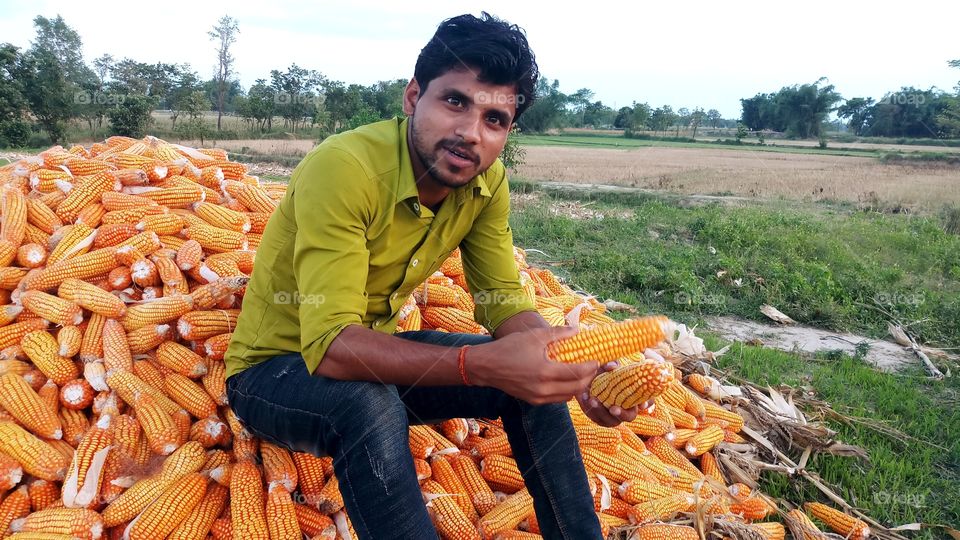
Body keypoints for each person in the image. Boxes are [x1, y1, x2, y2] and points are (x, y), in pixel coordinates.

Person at [224, 12, 637, 539]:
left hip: (373, 355)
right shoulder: (345, 168)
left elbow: (503, 300)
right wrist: (481, 363)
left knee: (532, 384)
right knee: (367, 401)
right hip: (274, 375)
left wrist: (577, 370)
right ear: (413, 97)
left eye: (495, 119)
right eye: (455, 102)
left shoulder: (487, 184)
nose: (471, 134)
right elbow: (329, 347)